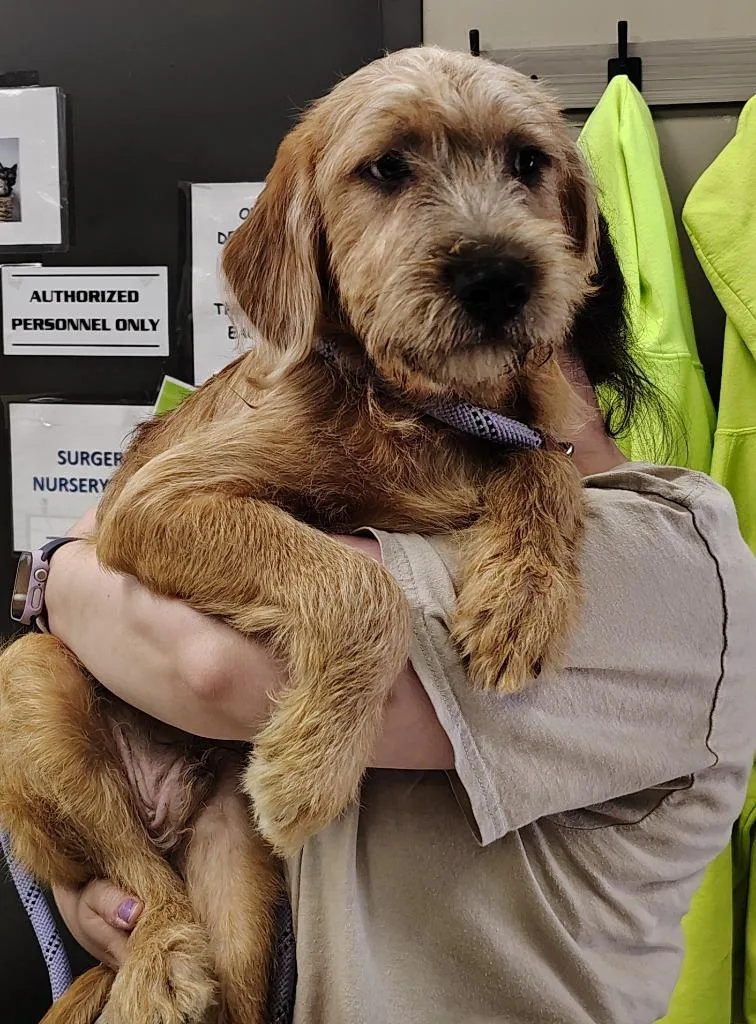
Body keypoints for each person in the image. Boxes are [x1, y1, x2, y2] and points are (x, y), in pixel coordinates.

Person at [47, 353, 756, 1024]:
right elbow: (142, 530)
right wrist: (109, 865)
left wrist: (53, 576)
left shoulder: (667, 561)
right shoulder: (397, 475)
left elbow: (208, 668)